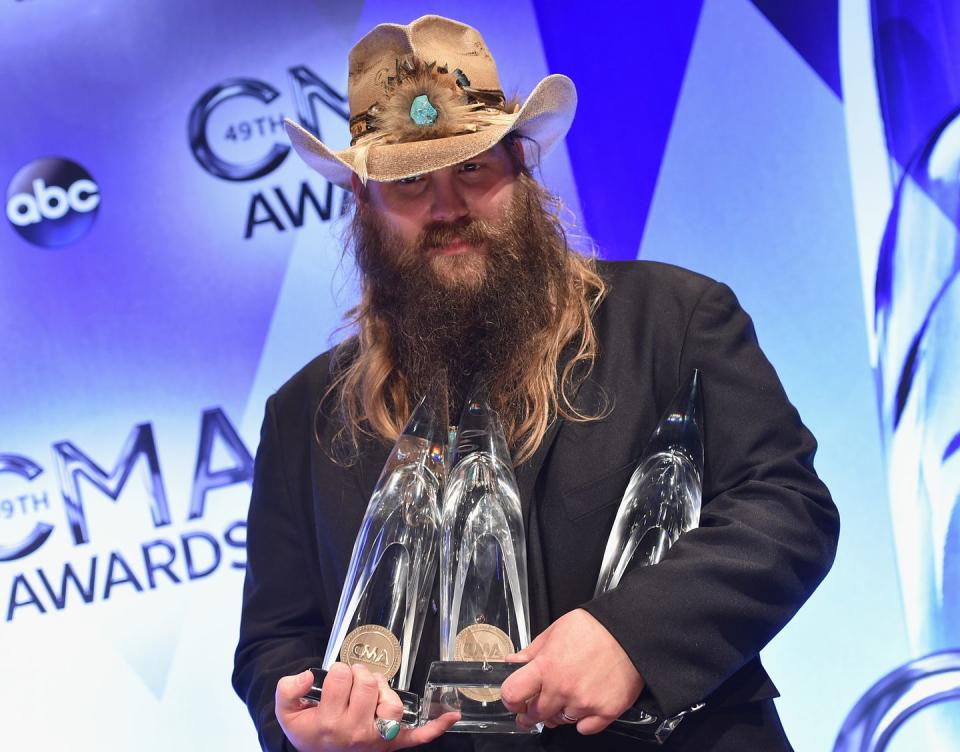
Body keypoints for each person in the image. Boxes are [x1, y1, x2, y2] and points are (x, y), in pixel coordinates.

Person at [232, 14, 839, 752]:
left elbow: (787, 509)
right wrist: (307, 723)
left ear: (521, 167)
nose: (447, 207)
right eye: (410, 184)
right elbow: (275, 642)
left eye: (473, 169)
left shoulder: (674, 317)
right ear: (363, 203)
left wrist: (628, 637)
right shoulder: (303, 416)